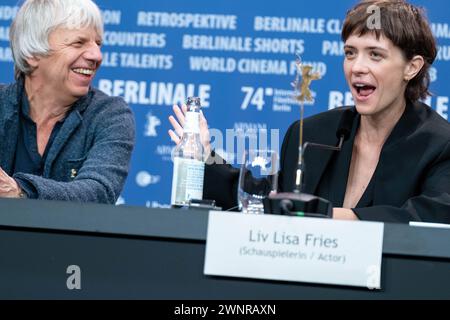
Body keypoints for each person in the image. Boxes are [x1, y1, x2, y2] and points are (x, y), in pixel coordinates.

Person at [169, 0, 450, 223]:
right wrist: (204, 158)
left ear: (412, 67)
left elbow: (429, 217)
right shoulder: (314, 133)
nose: (357, 67)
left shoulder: (438, 143)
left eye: (375, 54)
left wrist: (316, 216)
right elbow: (262, 202)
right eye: (350, 53)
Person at [0, 0, 135, 204]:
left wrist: (20, 191)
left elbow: (98, 192)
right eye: (78, 43)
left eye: (98, 44)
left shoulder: (110, 115)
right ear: (33, 54)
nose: (96, 56)